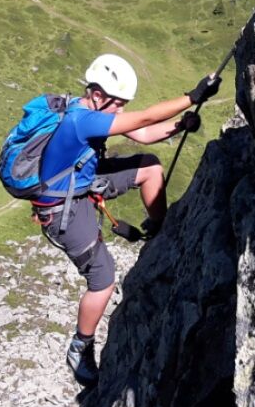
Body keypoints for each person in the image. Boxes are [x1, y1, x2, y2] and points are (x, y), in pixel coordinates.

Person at [32, 53, 221, 386]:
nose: (120, 110)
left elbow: (144, 134)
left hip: (82, 182)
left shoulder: (88, 109)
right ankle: (80, 347)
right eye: (117, 104)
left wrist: (179, 126)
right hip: (64, 208)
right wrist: (192, 98)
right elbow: (144, 118)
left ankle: (160, 227)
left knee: (149, 166)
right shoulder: (81, 121)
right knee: (103, 279)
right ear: (99, 95)